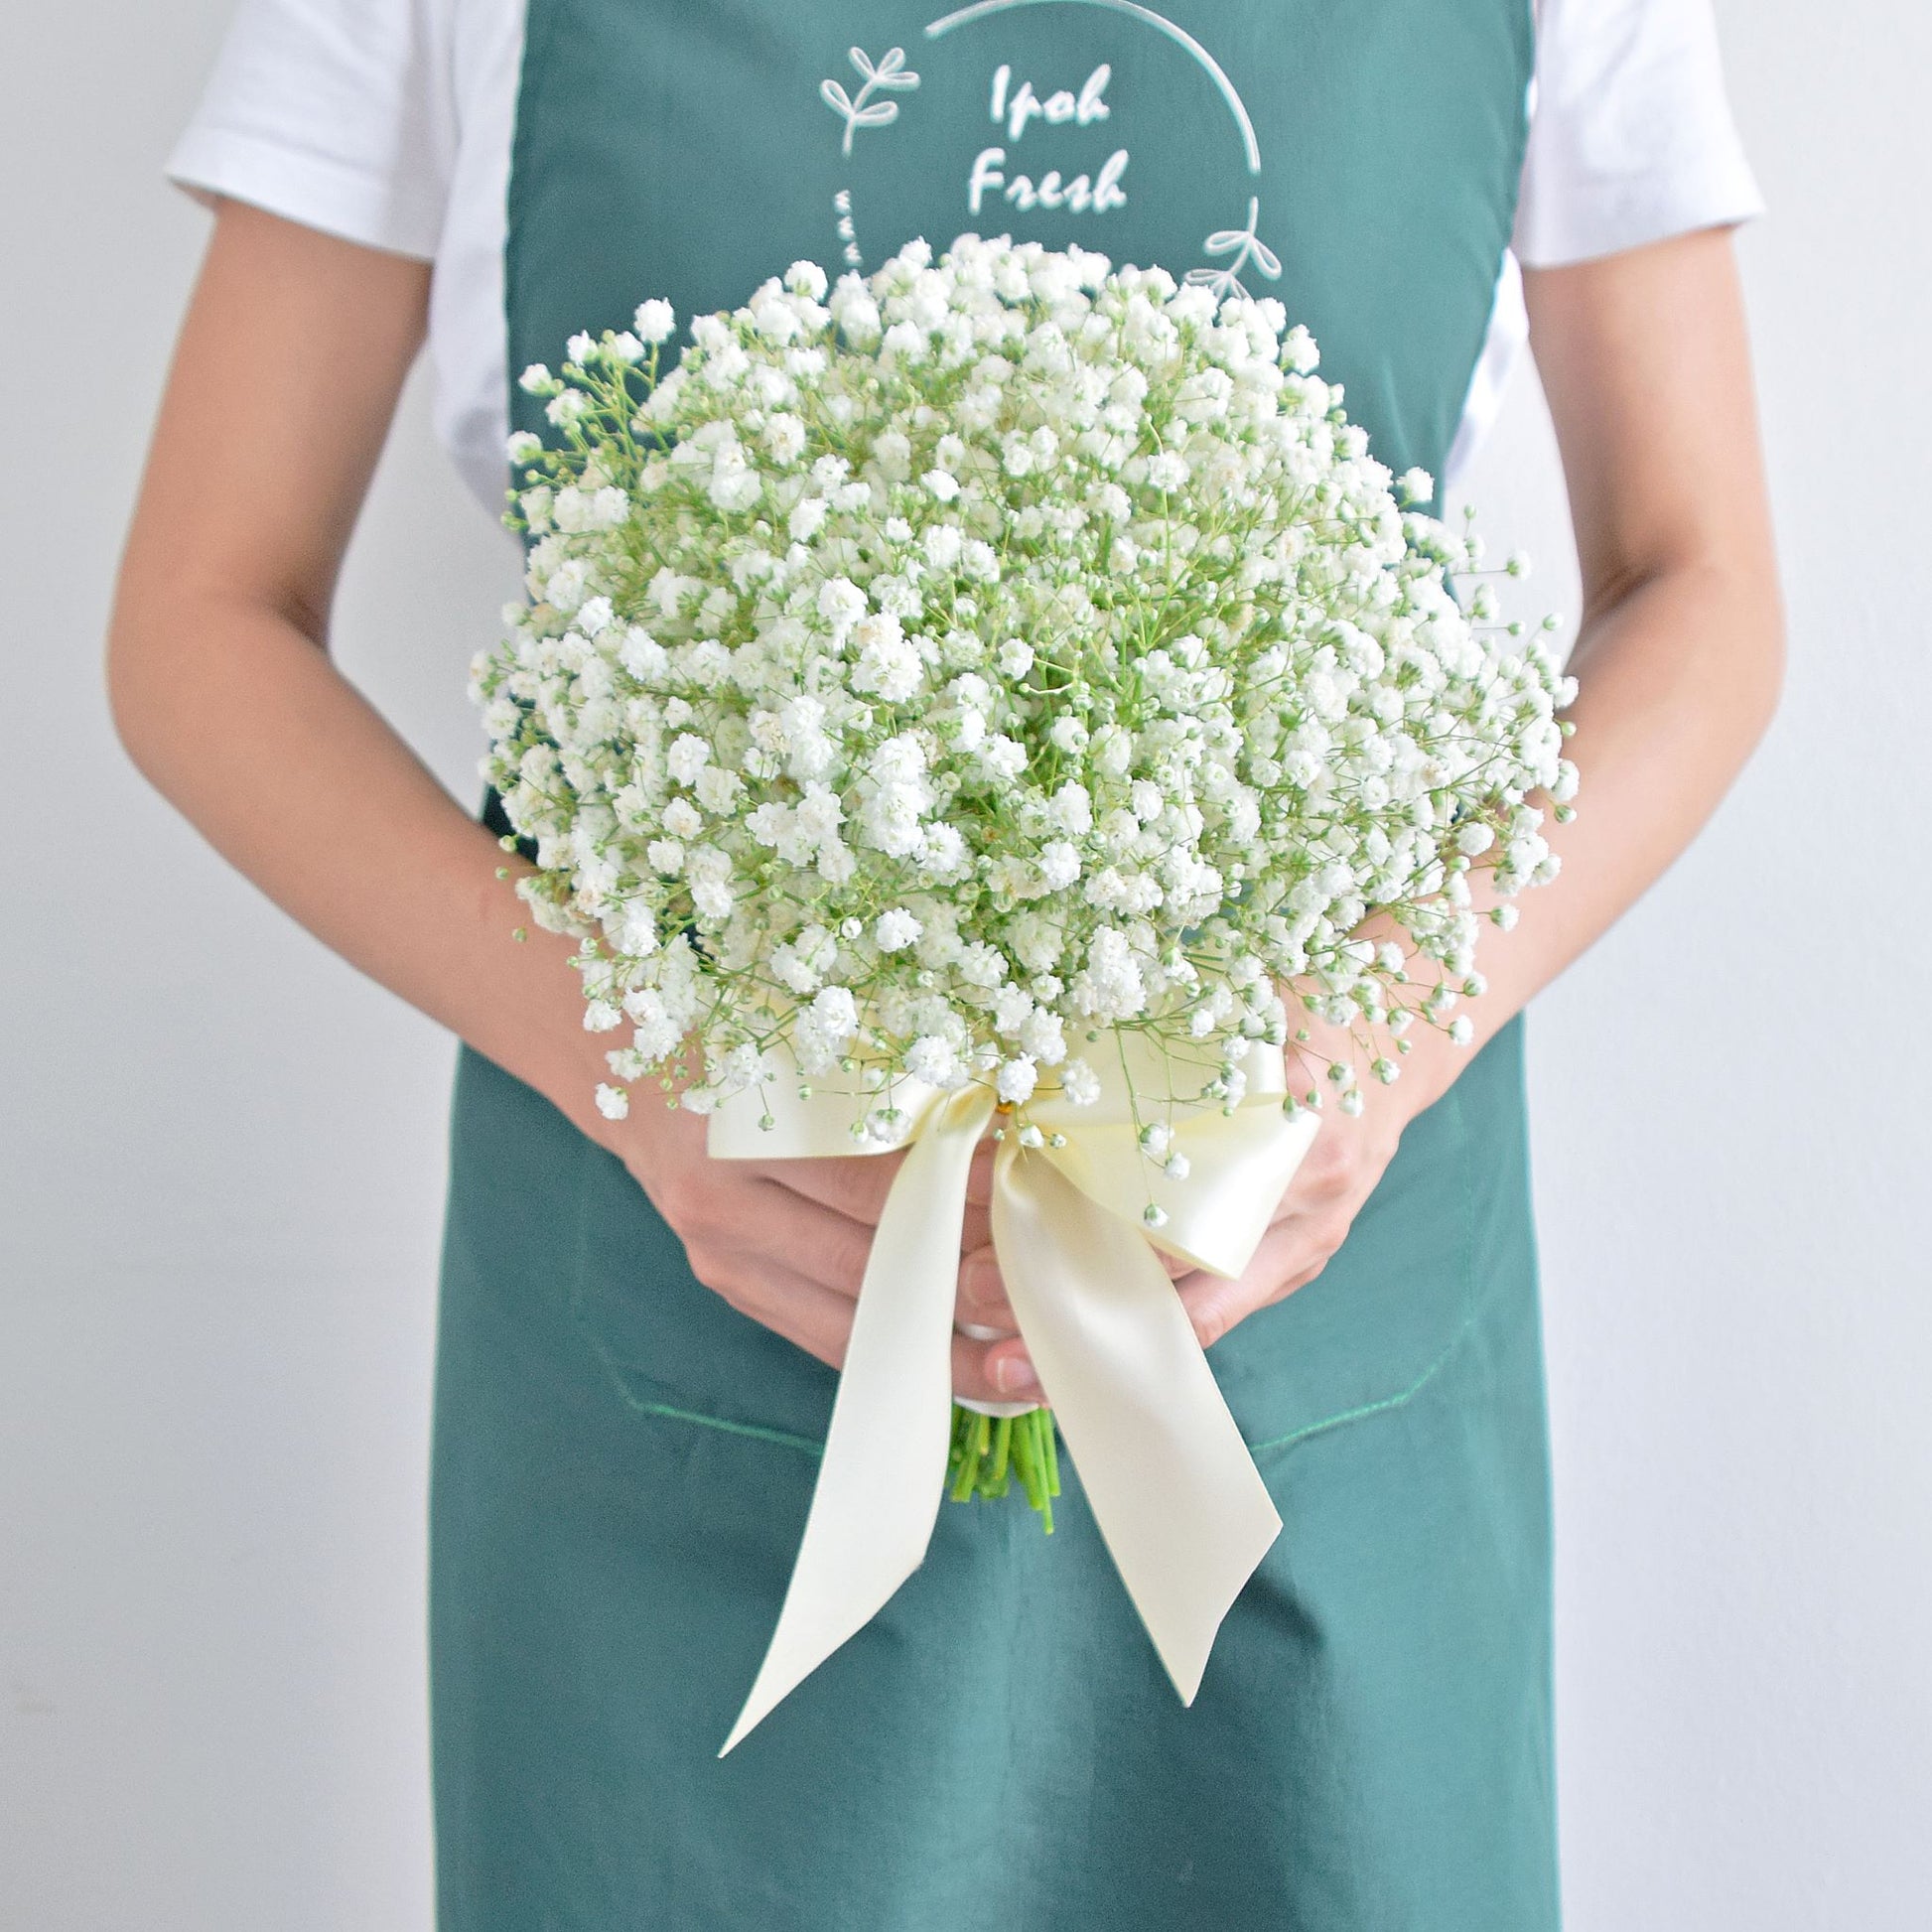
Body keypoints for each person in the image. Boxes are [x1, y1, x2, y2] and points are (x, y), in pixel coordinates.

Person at [109, 0, 1783, 1923]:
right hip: (682, 1371)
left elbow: (1700, 580)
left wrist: (1372, 1048)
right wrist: (646, 1078)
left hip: (1318, 1358)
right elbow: (201, 614)